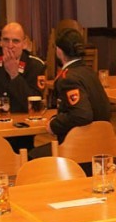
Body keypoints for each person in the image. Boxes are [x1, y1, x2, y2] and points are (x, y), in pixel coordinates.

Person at [29, 28, 111, 159]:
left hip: (79, 149)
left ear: (59, 51)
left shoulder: (68, 78)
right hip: (102, 145)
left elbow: (82, 115)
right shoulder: (89, 72)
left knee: (31, 157)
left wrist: (54, 125)